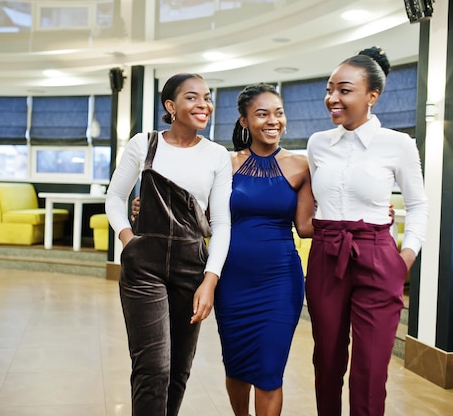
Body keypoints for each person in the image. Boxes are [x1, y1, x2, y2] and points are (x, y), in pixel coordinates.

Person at [305, 46, 428, 416]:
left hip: (377, 255)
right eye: (330, 89)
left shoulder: (398, 144)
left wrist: (404, 257)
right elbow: (310, 198)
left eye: (344, 90)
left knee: (371, 368)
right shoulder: (317, 144)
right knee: (326, 360)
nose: (332, 98)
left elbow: (419, 205)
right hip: (327, 254)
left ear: (372, 96)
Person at [104, 73, 233, 416]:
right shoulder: (143, 144)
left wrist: (210, 279)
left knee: (178, 370)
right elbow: (115, 198)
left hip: (192, 266)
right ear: (171, 106)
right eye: (192, 98)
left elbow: (221, 223)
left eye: (207, 97)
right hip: (143, 266)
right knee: (153, 368)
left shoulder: (218, 155)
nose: (203, 104)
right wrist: (128, 239)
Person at [214, 83, 314, 416]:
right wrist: (147, 209)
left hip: (279, 282)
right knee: (237, 367)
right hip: (231, 282)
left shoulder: (301, 166)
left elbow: (307, 226)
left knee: (269, 373)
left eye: (278, 113)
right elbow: (198, 215)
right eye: (262, 114)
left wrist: (371, 215)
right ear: (244, 121)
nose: (273, 121)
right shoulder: (225, 164)